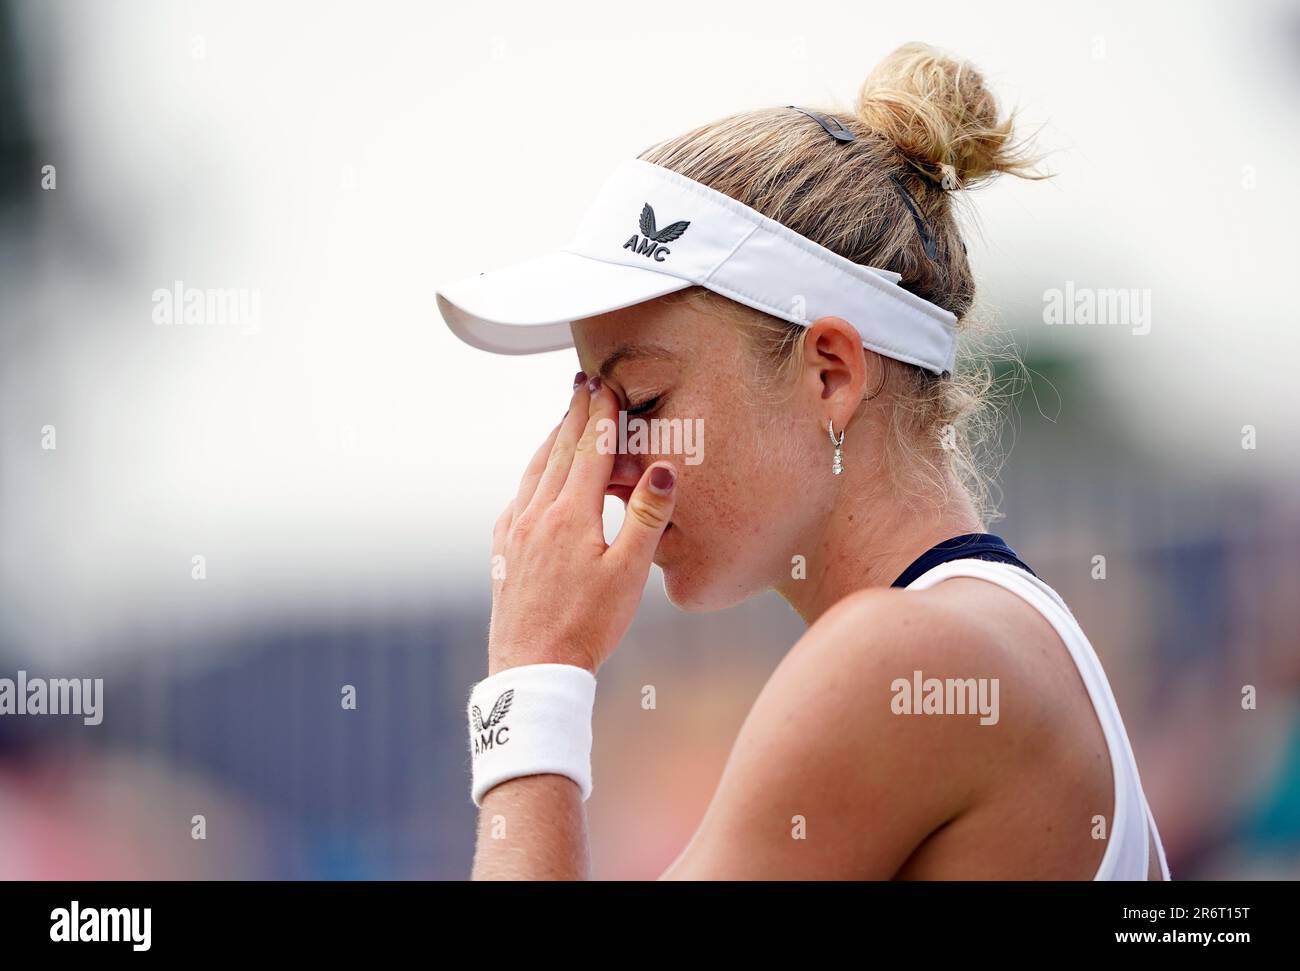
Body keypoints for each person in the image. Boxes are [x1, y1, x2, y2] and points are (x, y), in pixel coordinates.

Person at [437, 42, 1171, 880]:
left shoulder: (900, 658)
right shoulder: (989, 632)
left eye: (639, 404)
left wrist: (533, 670)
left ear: (831, 374)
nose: (607, 467)